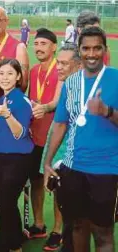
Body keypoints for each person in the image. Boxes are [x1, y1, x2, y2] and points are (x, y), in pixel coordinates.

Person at [44, 26, 118, 252]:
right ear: (80, 50)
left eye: (97, 48)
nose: (92, 53)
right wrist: (47, 162)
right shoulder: (71, 82)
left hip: (106, 169)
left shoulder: (115, 78)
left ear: (105, 50)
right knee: (76, 226)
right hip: (73, 167)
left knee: (103, 233)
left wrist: (107, 111)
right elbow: (60, 124)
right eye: (86, 48)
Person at [0, 59, 34, 252]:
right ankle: (15, 241)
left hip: (17, 159)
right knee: (6, 204)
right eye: (1, 73)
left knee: (6, 203)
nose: (4, 78)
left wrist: (8, 116)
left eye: (9, 74)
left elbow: (20, 133)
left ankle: (5, 246)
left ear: (18, 77)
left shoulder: (22, 101)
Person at [40, 44, 81, 252]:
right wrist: (49, 159)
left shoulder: (93, 86)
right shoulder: (66, 86)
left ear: (79, 64)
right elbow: (60, 123)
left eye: (65, 63)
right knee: (58, 188)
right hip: (61, 144)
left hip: (84, 151)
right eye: (59, 63)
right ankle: (58, 229)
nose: (59, 67)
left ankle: (72, 231)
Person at [25, 28, 60, 241]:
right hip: (35, 136)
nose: (38, 48)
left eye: (43, 44)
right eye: (36, 44)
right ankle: (39, 223)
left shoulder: (62, 70)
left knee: (56, 185)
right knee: (36, 180)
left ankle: (58, 230)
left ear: (54, 47)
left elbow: (58, 102)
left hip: (55, 138)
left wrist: (45, 107)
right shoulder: (34, 71)